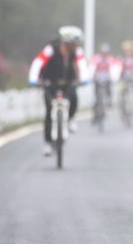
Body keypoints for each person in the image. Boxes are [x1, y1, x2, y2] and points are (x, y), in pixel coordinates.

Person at [28, 26, 88, 156]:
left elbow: (82, 64)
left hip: (68, 81)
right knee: (49, 112)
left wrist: (84, 79)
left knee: (73, 97)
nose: (76, 46)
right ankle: (48, 143)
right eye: (74, 44)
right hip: (50, 82)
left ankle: (70, 118)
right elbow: (38, 62)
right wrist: (34, 79)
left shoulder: (76, 52)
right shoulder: (51, 49)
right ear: (67, 42)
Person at [89, 43, 117, 110]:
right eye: (103, 53)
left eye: (106, 53)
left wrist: (113, 77)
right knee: (96, 91)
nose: (104, 54)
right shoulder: (96, 58)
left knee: (109, 88)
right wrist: (92, 76)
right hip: (98, 78)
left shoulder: (111, 59)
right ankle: (96, 102)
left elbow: (114, 69)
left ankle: (109, 100)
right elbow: (92, 68)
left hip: (107, 78)